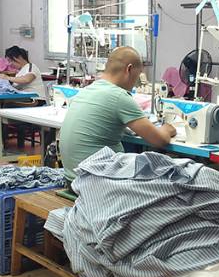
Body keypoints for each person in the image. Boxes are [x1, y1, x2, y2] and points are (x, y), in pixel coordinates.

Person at [59, 46, 176, 184]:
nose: (135, 84)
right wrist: (167, 129)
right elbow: (160, 140)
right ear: (129, 69)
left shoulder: (87, 90)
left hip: (72, 179)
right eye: (137, 77)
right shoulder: (119, 96)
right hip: (94, 183)